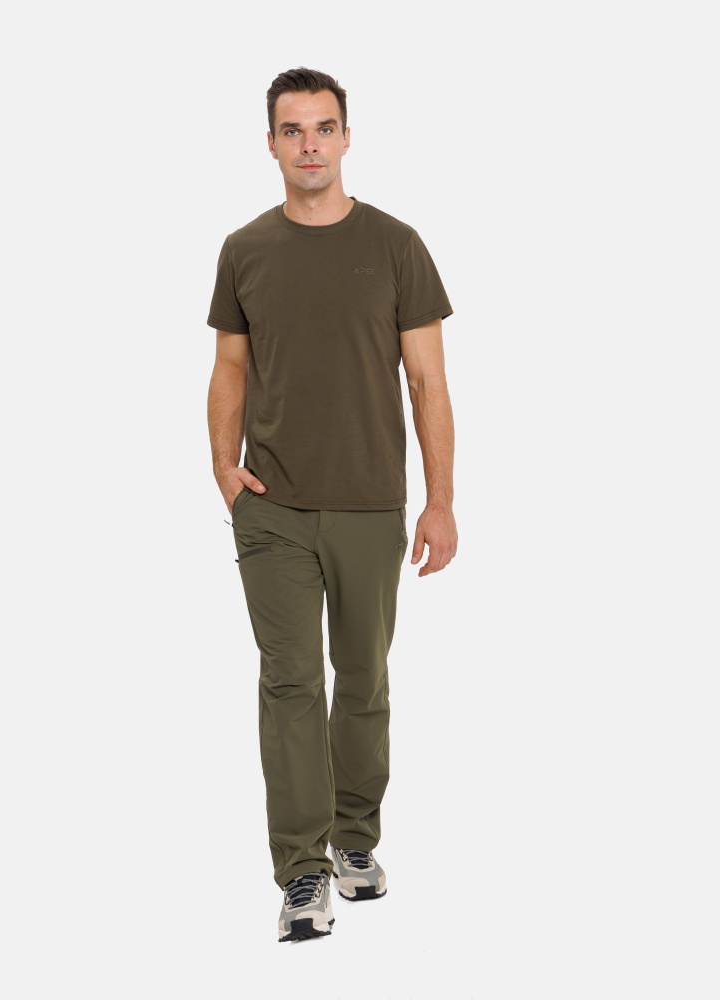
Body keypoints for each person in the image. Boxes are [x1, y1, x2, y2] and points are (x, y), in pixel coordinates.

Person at [206, 67, 457, 943]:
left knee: (363, 680)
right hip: (272, 506)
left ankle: (355, 838)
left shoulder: (396, 245)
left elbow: (427, 383)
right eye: (292, 130)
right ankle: (301, 868)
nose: (309, 145)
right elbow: (229, 368)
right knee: (289, 681)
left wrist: (440, 502)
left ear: (347, 137)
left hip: (370, 504)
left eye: (323, 128)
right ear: (271, 143)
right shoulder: (244, 249)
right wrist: (224, 468)